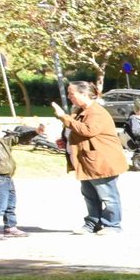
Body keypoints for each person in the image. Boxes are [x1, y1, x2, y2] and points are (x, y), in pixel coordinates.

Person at [52, 82, 127, 234]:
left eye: (72, 93)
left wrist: (63, 117)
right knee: (90, 196)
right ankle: (93, 223)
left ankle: (113, 225)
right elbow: (76, 131)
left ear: (84, 94)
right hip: (86, 162)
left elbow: (88, 130)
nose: (69, 97)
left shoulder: (96, 112)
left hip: (101, 162)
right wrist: (66, 140)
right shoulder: (80, 111)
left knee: (108, 196)